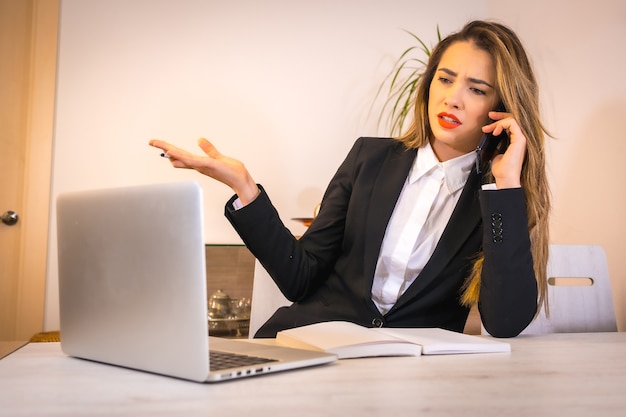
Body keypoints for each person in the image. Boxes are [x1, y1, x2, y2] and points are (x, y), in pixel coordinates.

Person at [149, 20, 550, 339]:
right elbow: (300, 277)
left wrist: (507, 188)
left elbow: (505, 323)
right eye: (445, 80)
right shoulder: (369, 159)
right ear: (428, 85)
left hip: (415, 382)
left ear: (501, 108)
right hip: (317, 347)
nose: (452, 99)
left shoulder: (497, 198)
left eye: (476, 89)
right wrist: (245, 189)